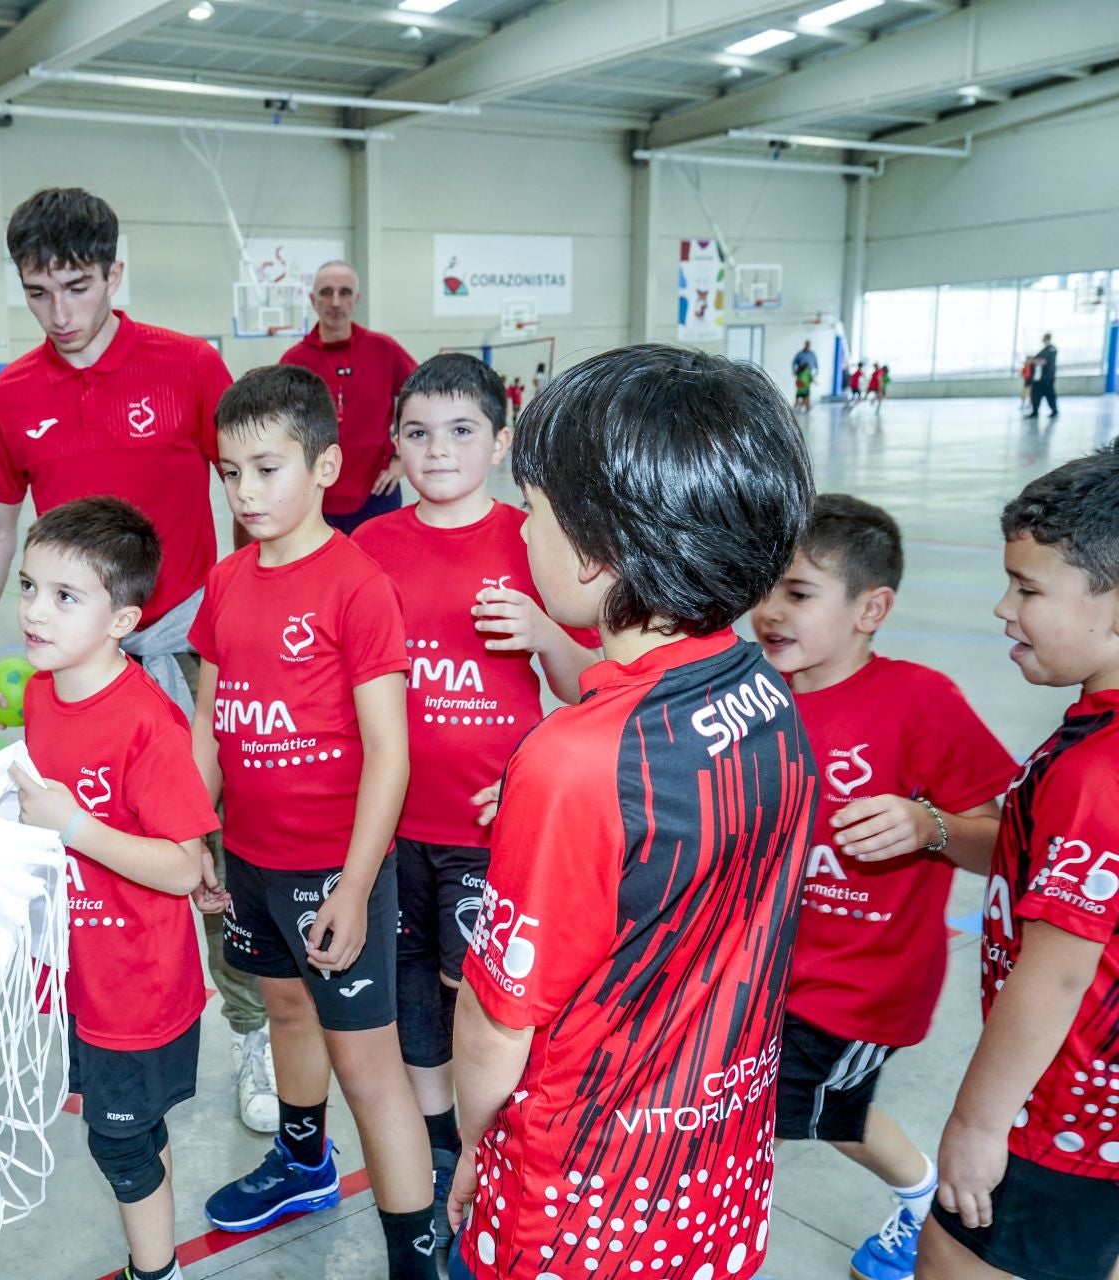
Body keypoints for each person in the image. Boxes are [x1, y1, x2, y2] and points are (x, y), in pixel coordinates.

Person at [446, 345, 818, 1280]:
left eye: (530, 514)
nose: (521, 538)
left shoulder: (576, 759)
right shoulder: (769, 696)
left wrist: (473, 1141)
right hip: (714, 1169)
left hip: (579, 1192)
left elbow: (498, 1028)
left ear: (595, 547)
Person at [0, 186, 276, 1134]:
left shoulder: (186, 365)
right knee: (73, 837)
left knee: (207, 842)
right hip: (70, 648)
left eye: (79, 287)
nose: (62, 314)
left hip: (179, 631)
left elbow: (251, 480)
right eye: (39, 293)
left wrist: (243, 613)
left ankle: (250, 1022)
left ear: (114, 275)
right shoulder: (11, 394)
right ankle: (90, 1021)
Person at [189, 365, 437, 1280]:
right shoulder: (224, 582)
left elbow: (391, 753)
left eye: (266, 468)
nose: (246, 492)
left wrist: (357, 887)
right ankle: (302, 1163)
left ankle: (416, 1255)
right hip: (249, 859)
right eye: (229, 472)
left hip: (332, 869)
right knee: (284, 1007)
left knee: (369, 1069)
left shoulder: (357, 586)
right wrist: (193, 835)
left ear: (326, 465)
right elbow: (209, 728)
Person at [352, 354, 598, 1250]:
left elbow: (587, 693)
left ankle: (490, 1149)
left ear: (500, 442)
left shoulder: (531, 543)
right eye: (417, 432)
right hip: (389, 832)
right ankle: (440, 1155)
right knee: (411, 993)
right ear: (394, 446)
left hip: (488, 833)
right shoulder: (370, 549)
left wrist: (540, 633)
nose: (438, 449)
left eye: (461, 430)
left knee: (481, 998)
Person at [750, 494, 1016, 1280]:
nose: (769, 610)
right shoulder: (750, 692)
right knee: (821, 1116)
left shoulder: (919, 701)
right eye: (764, 587)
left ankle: (920, 1195)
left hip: (854, 985)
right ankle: (917, 1192)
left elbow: (1005, 838)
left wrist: (928, 826)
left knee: (799, 1115)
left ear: (873, 607)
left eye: (797, 593)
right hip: (760, 967)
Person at [7, 497, 222, 1280]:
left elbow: (182, 864)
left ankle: (154, 1271)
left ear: (123, 619)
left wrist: (74, 828)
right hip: (77, 971)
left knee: (119, 1142)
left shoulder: (146, 724)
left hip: (137, 985)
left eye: (66, 598)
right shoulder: (40, 695)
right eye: (28, 588)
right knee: (128, 1132)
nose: (35, 611)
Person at [919, 445, 1119, 1280]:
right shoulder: (1093, 729)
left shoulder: (1097, 773)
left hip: (1054, 1122)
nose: (1004, 608)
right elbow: (1030, 855)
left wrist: (976, 1126)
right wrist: (934, 831)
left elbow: (1060, 971)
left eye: (1030, 589)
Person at [277, 260, 416, 535]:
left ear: (357, 299)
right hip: (316, 497)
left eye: (345, 292)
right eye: (327, 292)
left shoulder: (383, 349)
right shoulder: (294, 361)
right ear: (313, 300)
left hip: (376, 492)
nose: (336, 302)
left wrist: (404, 461)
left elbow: (426, 400)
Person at [1024, 333, 1059, 419]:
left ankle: (1054, 411)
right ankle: (1035, 412)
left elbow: (1044, 361)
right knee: (1035, 395)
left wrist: (1033, 361)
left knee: (1050, 395)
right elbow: (1037, 359)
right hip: (1038, 378)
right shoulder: (1044, 350)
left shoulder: (1051, 349)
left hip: (1047, 378)